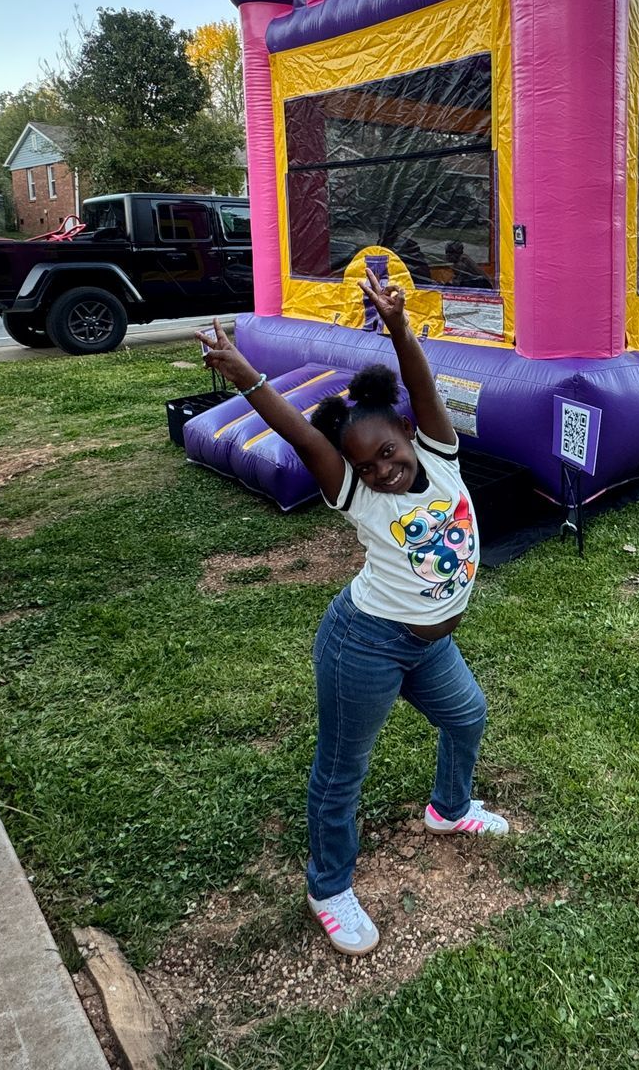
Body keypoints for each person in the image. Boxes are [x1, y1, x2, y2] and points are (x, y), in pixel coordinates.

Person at [197, 275, 506, 959]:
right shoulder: (355, 494)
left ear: (406, 433)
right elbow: (303, 434)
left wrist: (399, 329)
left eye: (387, 454)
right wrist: (247, 374)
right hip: (365, 644)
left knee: (467, 716)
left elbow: (421, 388)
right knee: (342, 772)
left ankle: (448, 811)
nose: (382, 471)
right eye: (366, 467)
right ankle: (329, 887)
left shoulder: (440, 453)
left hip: (429, 647)